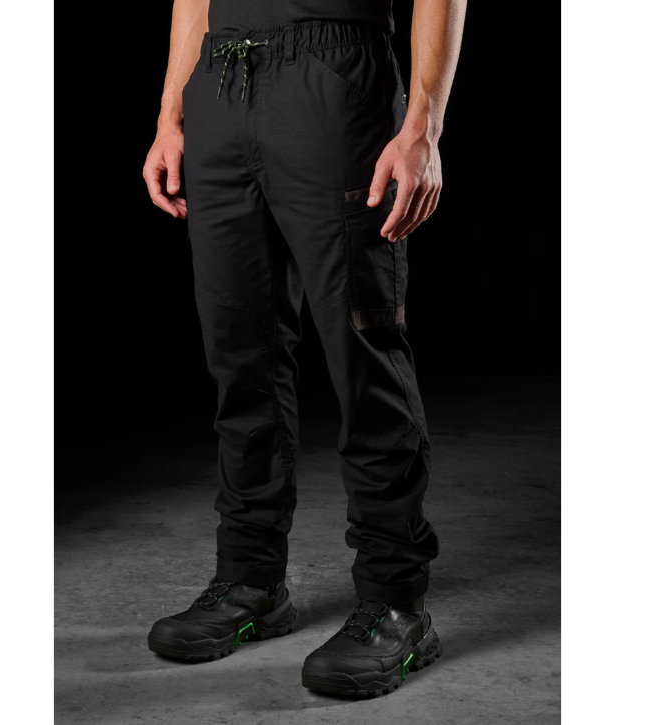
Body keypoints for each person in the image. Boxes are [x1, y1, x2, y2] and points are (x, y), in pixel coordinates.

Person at [144, 0, 466, 697]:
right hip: (220, 84)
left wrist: (422, 127)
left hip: (334, 78)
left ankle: (396, 602)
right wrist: (171, 115)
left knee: (362, 352)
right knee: (240, 358)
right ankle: (250, 579)